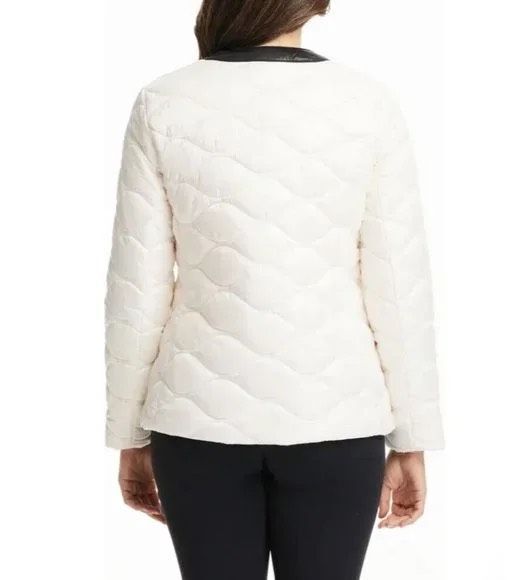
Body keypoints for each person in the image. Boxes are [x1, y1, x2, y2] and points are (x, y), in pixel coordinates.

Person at [105, 1, 444, 578]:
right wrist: (412, 438)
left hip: (196, 425)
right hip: (336, 420)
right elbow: (398, 286)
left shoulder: (163, 102)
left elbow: (136, 291)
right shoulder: (367, 104)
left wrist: (128, 434)